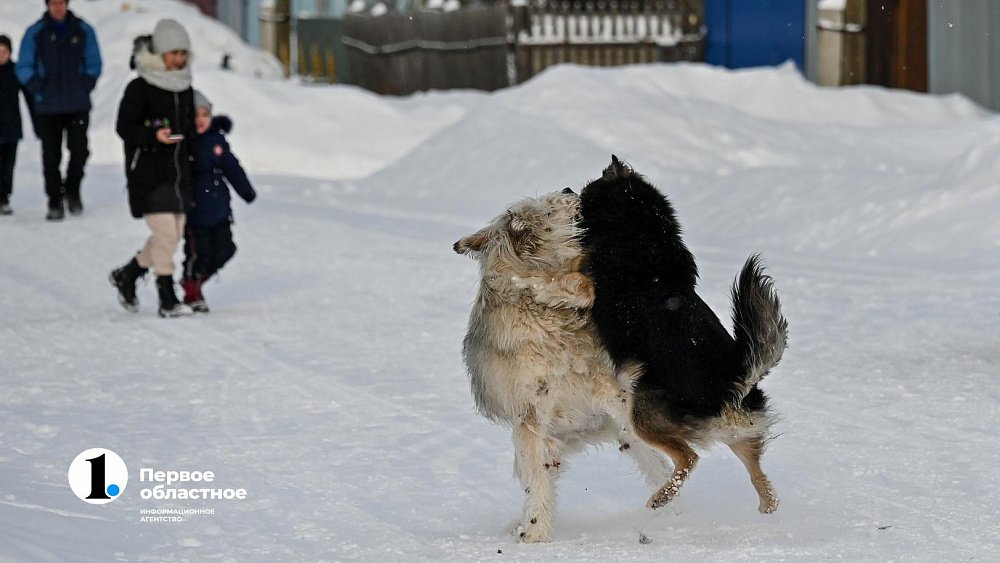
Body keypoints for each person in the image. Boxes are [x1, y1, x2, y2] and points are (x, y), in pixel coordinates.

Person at [109, 19, 196, 318]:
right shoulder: (140, 87)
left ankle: (129, 274)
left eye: (183, 53)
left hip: (178, 173)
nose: (179, 59)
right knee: (167, 236)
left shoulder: (185, 86)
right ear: (160, 53)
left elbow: (188, 128)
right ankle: (167, 298)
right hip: (148, 173)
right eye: (173, 53)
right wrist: (152, 136)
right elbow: (124, 127)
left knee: (172, 234)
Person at [16, 0, 102, 221]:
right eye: (53, 3)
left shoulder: (83, 30)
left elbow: (94, 61)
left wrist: (86, 84)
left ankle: (72, 190)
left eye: (61, 3)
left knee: (80, 151)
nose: (57, 7)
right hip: (48, 106)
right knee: (51, 156)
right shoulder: (37, 32)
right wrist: (38, 87)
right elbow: (24, 65)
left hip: (77, 104)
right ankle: (54, 200)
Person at [181, 90, 257, 313]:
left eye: (205, 114)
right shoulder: (183, 141)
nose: (200, 120)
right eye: (195, 115)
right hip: (194, 212)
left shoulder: (217, 140)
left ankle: (196, 281)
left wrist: (246, 190)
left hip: (219, 208)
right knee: (199, 253)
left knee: (226, 249)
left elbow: (231, 167)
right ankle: (191, 291)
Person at [0, 34, 25, 216]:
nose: (1, 55)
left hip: (11, 127)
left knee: (8, 165)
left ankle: (4, 198)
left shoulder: (16, 71)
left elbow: (31, 97)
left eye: (4, 51)